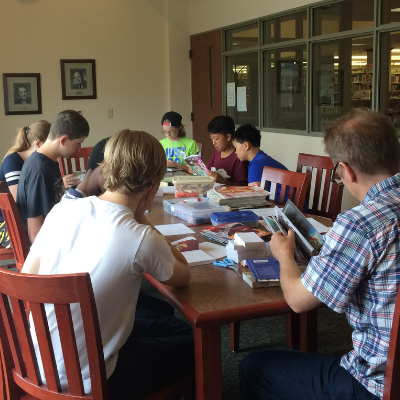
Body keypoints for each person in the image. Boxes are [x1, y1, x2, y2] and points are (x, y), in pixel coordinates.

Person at [239, 108, 400, 400]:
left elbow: (299, 301)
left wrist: (284, 255)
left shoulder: (360, 223)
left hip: (377, 386)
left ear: (346, 171)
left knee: (254, 366)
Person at [22, 129, 194, 399]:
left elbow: (26, 277)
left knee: (173, 328)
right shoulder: (141, 237)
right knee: (193, 347)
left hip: (36, 360)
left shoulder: (64, 209)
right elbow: (183, 275)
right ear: (153, 185)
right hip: (92, 379)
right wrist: (141, 217)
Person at [16, 110, 89, 244]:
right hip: (44, 246)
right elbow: (35, 234)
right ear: (63, 140)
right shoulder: (39, 170)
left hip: (55, 231)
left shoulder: (49, 162)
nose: (79, 149)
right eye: (78, 143)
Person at [0, 121, 50, 249]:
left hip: (22, 216)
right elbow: (19, 200)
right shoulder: (13, 161)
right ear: (38, 144)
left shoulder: (40, 162)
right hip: (6, 220)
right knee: (44, 236)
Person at [204, 115, 248, 185]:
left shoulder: (239, 157)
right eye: (211, 139)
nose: (213, 143)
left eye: (216, 139)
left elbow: (242, 187)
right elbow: (207, 174)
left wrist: (223, 181)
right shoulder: (216, 153)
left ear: (228, 137)